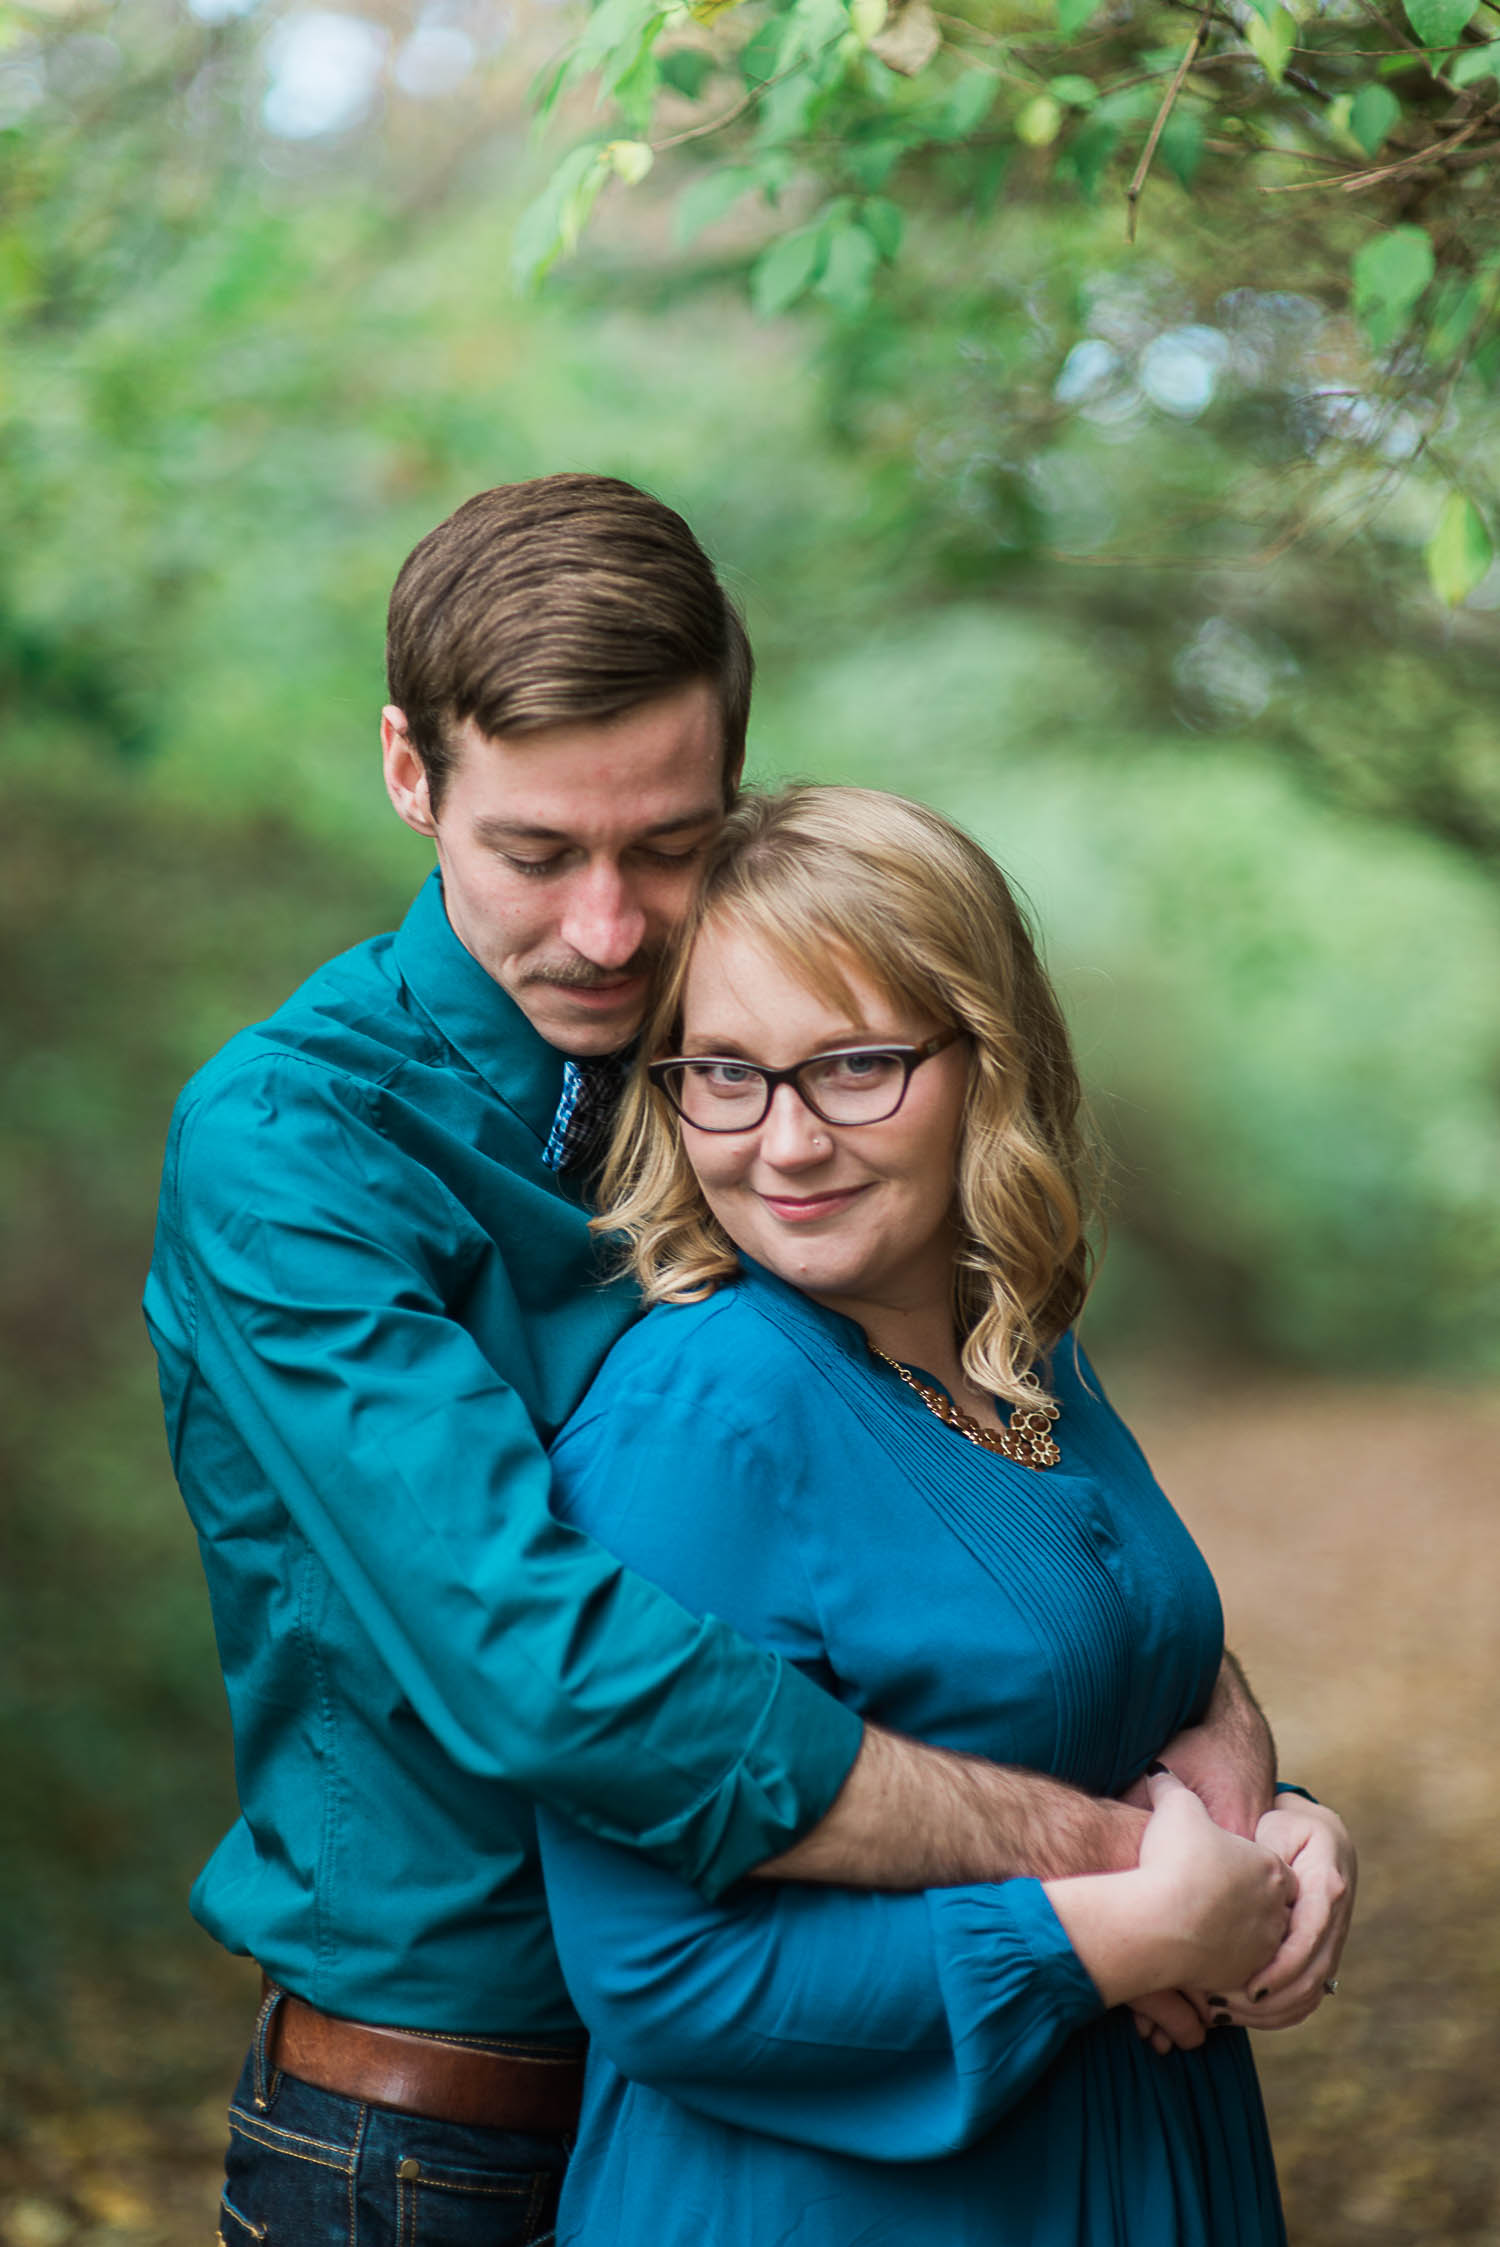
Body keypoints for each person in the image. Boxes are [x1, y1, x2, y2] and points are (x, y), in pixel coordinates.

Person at [144, 478, 1337, 2246]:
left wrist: (1243, 1779)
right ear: (411, 774)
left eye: (670, 845)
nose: (611, 931)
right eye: (539, 853)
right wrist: (1126, 1875)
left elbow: (985, 1503)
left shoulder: (749, 1048)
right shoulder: (291, 1148)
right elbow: (555, 1672)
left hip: (834, 2108)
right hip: (436, 2137)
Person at [537, 783, 1355, 2245]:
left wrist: (1280, 1834)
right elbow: (662, 1976)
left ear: (990, 1059)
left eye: (854, 1066)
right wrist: (1110, 1936)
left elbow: (1092, 1689)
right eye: (721, 1072)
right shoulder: (705, 1418)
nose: (783, 1143)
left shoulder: (1019, 1345)